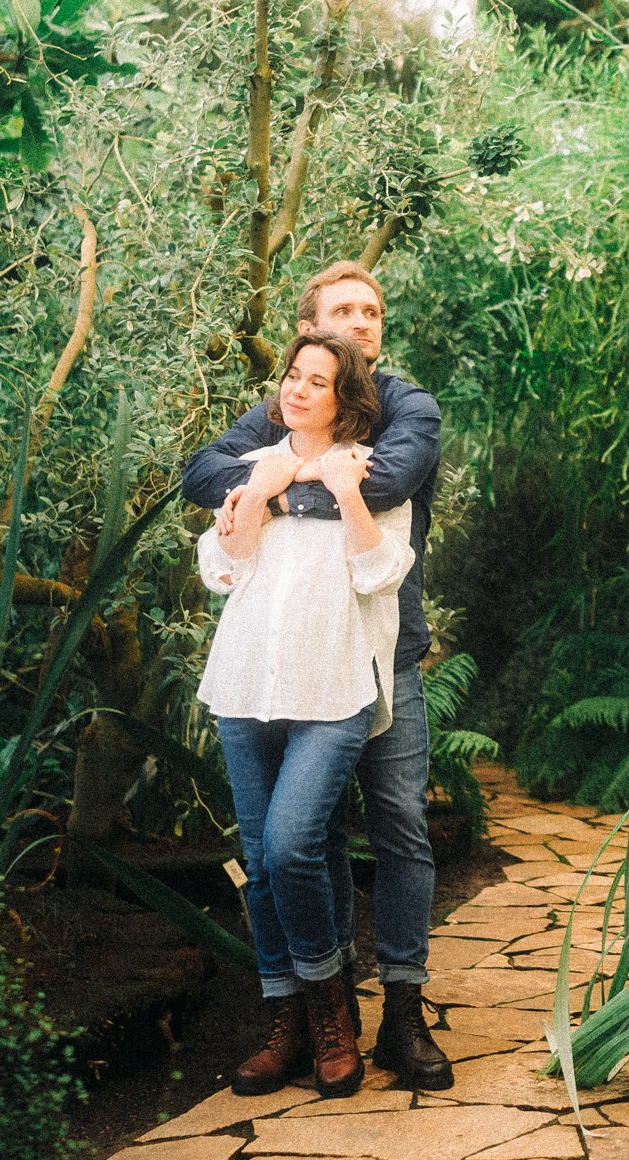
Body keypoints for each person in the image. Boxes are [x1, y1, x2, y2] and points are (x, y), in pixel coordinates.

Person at [182, 260, 454, 1091]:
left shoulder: (404, 405)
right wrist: (277, 477)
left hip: (379, 653)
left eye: (372, 309)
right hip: (269, 669)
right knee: (302, 844)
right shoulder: (287, 407)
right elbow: (202, 477)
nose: (363, 321)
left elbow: (391, 477)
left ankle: (402, 1011)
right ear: (310, 324)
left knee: (399, 826)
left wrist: (276, 483)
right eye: (343, 311)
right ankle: (311, 1007)